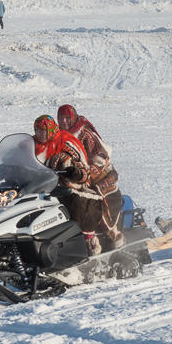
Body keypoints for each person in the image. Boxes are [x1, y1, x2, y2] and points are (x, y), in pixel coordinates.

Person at [32, 115, 104, 254]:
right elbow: (23, 159)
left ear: (51, 129)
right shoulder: (32, 144)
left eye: (43, 130)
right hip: (40, 187)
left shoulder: (66, 142)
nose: (39, 134)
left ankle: (88, 241)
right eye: (37, 130)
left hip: (70, 186)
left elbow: (83, 169)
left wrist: (75, 172)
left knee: (78, 203)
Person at [57, 104, 124, 250]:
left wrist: (87, 171)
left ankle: (111, 233)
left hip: (99, 174)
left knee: (92, 195)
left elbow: (100, 156)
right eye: (61, 118)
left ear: (73, 118)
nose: (64, 122)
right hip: (76, 174)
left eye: (67, 118)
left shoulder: (84, 133)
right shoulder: (59, 135)